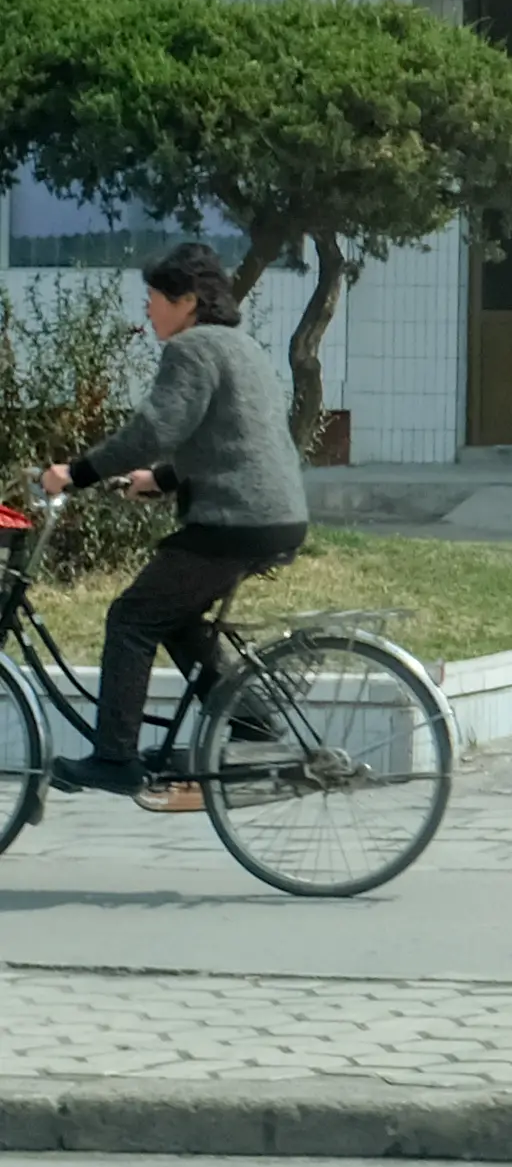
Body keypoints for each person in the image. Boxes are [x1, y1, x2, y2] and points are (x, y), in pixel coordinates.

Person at [34, 240, 308, 798]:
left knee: (131, 618)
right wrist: (160, 480)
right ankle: (252, 724)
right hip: (274, 516)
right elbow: (228, 438)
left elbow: (153, 431)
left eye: (154, 297)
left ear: (186, 301)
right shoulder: (240, 346)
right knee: (175, 615)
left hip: (236, 520)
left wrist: (77, 472)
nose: (148, 308)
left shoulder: (191, 351)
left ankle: (115, 758)